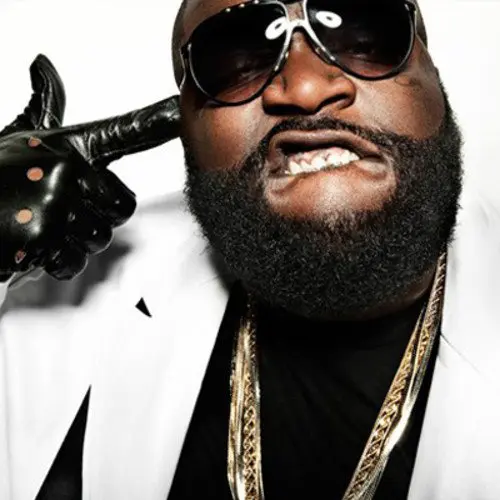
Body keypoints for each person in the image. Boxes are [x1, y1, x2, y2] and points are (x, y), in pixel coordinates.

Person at [0, 0, 497, 499]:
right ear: (183, 122)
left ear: (430, 68)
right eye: (236, 62)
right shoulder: (63, 301)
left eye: (362, 36)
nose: (306, 88)